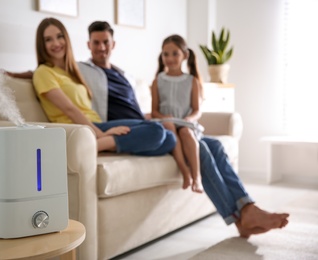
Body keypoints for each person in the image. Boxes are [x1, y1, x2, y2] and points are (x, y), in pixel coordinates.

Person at [78, 21, 289, 238]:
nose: (101, 47)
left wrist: (149, 117)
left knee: (215, 145)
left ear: (114, 44)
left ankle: (246, 210)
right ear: (88, 44)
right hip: (138, 132)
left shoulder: (124, 75)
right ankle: (242, 216)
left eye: (106, 42)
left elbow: (144, 108)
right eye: (96, 43)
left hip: (145, 122)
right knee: (202, 150)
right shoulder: (84, 71)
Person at [32, 17, 176, 156]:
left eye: (59, 36)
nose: (56, 43)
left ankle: (112, 145)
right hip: (81, 128)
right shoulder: (43, 72)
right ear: (41, 44)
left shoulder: (72, 72)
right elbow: (70, 110)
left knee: (170, 139)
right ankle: (94, 146)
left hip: (96, 123)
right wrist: (100, 133)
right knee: (155, 130)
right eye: (48, 39)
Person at [151, 34, 203, 193]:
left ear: (185, 56)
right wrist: (162, 117)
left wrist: (189, 118)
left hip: (185, 123)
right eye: (166, 54)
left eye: (175, 54)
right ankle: (185, 172)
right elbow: (154, 110)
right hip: (167, 123)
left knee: (187, 132)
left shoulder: (191, 81)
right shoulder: (158, 80)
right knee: (169, 126)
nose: (170, 58)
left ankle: (197, 177)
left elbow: (197, 109)